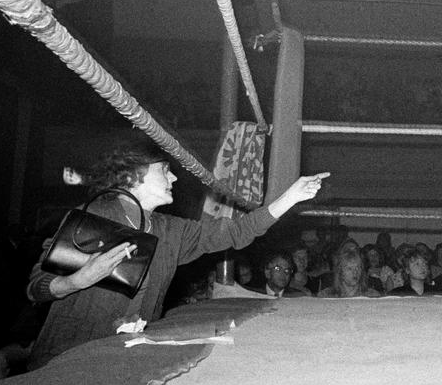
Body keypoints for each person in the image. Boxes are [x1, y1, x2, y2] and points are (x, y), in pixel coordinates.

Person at [25, 139, 328, 370]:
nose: (174, 179)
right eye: (165, 171)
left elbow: (236, 232)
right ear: (133, 175)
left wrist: (291, 197)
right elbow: (36, 286)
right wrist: (77, 281)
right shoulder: (97, 215)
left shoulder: (171, 231)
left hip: (125, 356)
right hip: (67, 358)